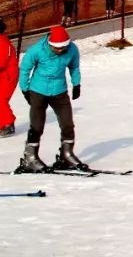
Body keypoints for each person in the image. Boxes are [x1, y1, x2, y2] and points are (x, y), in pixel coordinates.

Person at [17, 25, 86, 172]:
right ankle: (30, 157)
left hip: (59, 91)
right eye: (57, 48)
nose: (61, 51)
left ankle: (66, 155)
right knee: (37, 126)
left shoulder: (72, 49)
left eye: (63, 48)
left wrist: (77, 84)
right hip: (38, 91)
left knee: (67, 124)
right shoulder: (37, 50)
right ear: (50, 43)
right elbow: (24, 69)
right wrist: (25, 89)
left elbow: (74, 67)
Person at [0, 18, 17, 137]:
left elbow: (2, 61)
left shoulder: (2, 42)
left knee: (1, 99)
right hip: (3, 74)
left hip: (8, 76)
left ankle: (8, 124)